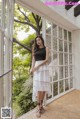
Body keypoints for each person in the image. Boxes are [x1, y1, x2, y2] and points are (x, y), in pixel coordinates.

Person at [30, 35, 51, 117]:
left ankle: (41, 105)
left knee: (43, 89)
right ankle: (38, 107)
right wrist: (32, 68)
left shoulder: (46, 48)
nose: (38, 41)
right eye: (36, 40)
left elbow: (46, 60)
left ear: (42, 40)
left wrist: (37, 66)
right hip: (36, 69)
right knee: (39, 89)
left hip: (43, 68)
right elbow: (33, 59)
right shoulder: (34, 49)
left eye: (39, 40)